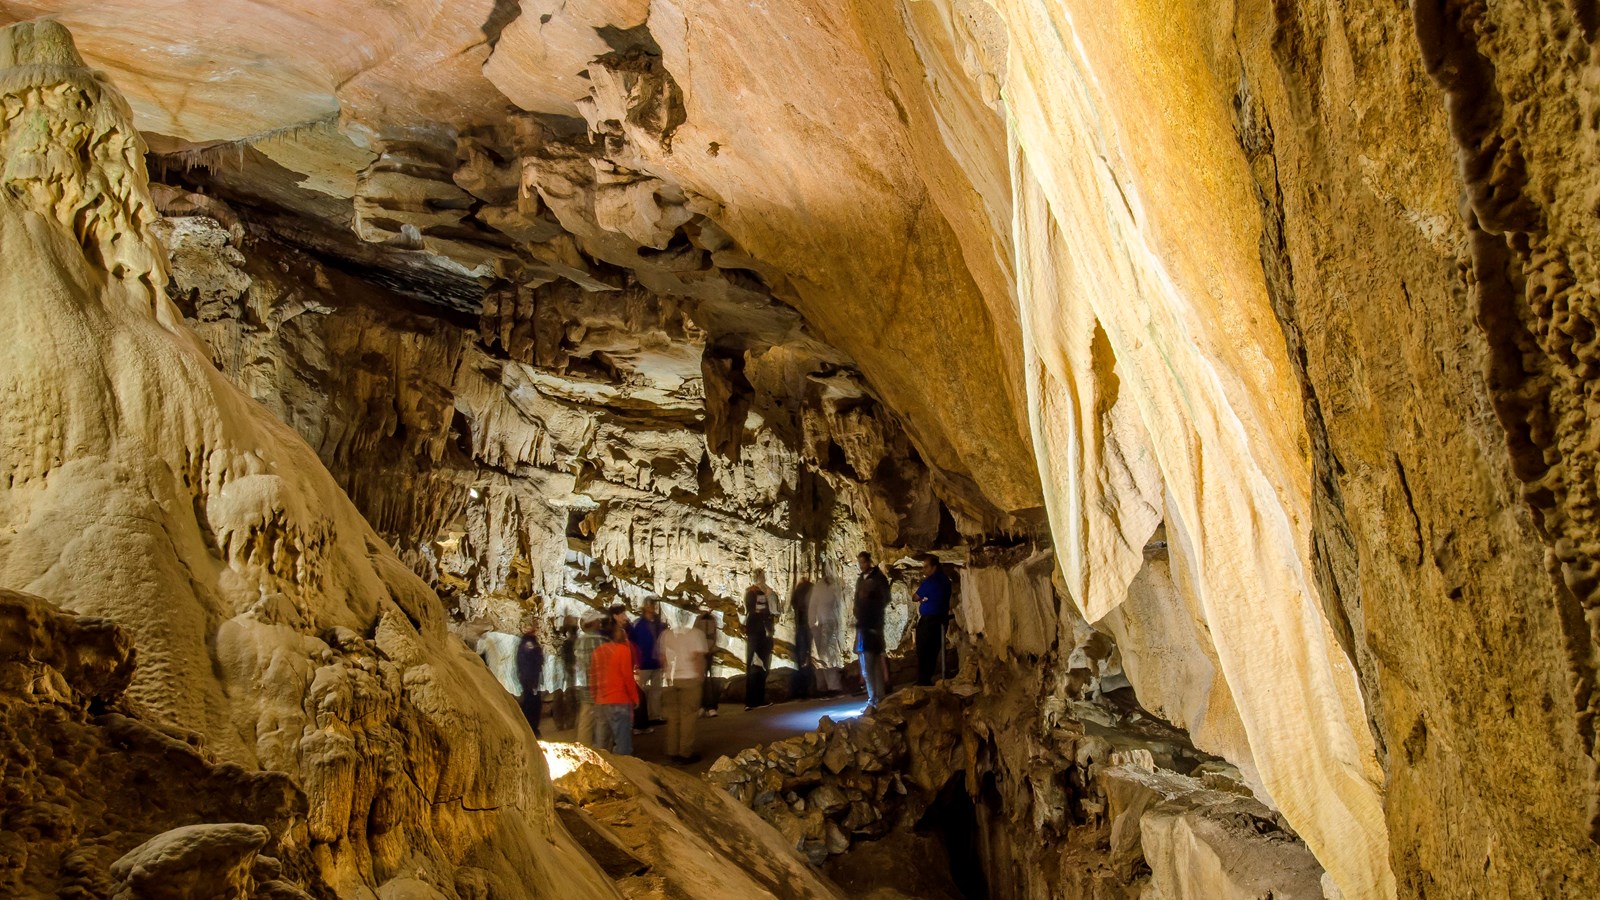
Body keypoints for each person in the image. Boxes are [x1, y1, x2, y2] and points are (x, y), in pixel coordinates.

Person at [659, 619, 709, 763]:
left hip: (671, 678)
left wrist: (667, 675)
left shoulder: (666, 634)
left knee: (673, 717)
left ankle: (672, 750)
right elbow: (698, 657)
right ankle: (685, 752)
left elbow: (663, 658)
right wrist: (700, 677)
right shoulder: (696, 634)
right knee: (688, 716)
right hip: (689, 678)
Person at [591, 619, 641, 755]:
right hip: (619, 699)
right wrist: (634, 697)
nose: (623, 633)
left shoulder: (597, 651)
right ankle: (622, 770)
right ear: (614, 633)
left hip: (601, 701)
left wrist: (595, 696)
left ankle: (600, 768)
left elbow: (593, 677)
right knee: (622, 741)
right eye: (620, 630)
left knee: (601, 742)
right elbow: (627, 677)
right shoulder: (623, 650)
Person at [853, 551, 890, 708]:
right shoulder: (861, 580)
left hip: (873, 624)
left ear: (869, 561)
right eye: (860, 563)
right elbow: (856, 600)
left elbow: (886, 597)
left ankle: (874, 697)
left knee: (870, 664)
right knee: (871, 664)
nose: (862, 566)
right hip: (866, 624)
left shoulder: (878, 579)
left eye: (864, 562)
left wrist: (871, 609)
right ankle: (877, 696)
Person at [914, 554, 953, 686]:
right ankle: (927, 678)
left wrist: (924, 599)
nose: (924, 570)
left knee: (923, 650)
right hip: (942, 620)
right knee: (933, 651)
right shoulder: (946, 580)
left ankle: (922, 681)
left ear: (934, 567)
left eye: (926, 567)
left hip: (929, 621)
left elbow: (915, 597)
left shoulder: (930, 581)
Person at [629, 599, 667, 728]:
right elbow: (633, 643)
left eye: (653, 606)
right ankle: (638, 718)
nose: (652, 608)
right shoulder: (638, 625)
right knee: (640, 691)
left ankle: (655, 716)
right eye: (650, 605)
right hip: (643, 663)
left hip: (656, 662)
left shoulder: (659, 625)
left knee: (656, 691)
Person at [572, 610, 607, 746]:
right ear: (592, 623)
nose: (600, 623)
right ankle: (601, 752)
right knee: (601, 721)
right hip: (598, 687)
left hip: (583, 685)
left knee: (585, 720)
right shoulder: (600, 641)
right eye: (598, 621)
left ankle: (583, 747)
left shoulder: (579, 642)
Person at [743, 569, 777, 709]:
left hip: (754, 631)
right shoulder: (757, 593)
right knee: (759, 665)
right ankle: (754, 699)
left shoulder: (750, 592)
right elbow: (763, 611)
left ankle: (754, 699)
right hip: (759, 632)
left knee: (755, 665)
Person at [810, 569, 842, 694]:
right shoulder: (821, 587)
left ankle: (829, 685)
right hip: (825, 622)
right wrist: (812, 622)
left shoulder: (826, 586)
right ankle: (831, 685)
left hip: (828, 622)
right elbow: (814, 605)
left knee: (826, 653)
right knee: (826, 653)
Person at [515, 622, 545, 738]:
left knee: (533, 703)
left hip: (532, 679)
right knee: (532, 704)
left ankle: (531, 728)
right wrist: (530, 681)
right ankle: (530, 728)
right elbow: (527, 663)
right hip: (530, 679)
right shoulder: (528, 643)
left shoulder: (530, 642)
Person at [790, 577, 814, 699]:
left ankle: (804, 687)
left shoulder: (801, 590)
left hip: (803, 625)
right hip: (806, 625)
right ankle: (806, 686)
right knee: (805, 653)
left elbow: (793, 603)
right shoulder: (809, 589)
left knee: (801, 654)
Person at [696, 611, 721, 717]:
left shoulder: (710, 620)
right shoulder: (705, 620)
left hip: (708, 653)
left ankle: (708, 706)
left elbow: (714, 636)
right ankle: (704, 706)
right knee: (704, 681)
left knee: (708, 681)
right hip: (703, 653)